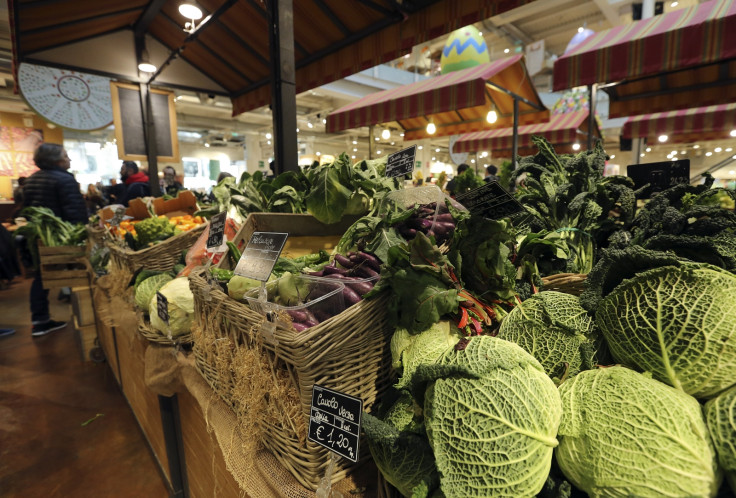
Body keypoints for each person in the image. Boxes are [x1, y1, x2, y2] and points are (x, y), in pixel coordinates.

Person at [23, 143, 87, 337]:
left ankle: (39, 320)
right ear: (56, 160)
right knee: (80, 275)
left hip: (41, 237)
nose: (69, 159)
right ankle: (84, 317)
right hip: (64, 238)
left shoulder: (32, 179)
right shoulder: (65, 180)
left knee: (41, 277)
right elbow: (75, 212)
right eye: (66, 156)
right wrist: (83, 232)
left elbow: (27, 210)